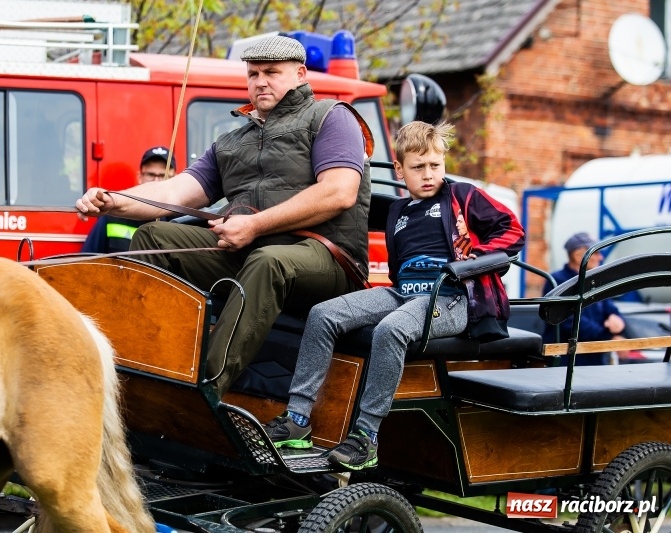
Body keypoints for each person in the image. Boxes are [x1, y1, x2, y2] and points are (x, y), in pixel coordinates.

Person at [75, 35, 374, 397]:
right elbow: (173, 192)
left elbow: (339, 192)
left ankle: (205, 389)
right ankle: (143, 364)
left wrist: (254, 224)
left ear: (300, 74)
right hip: (249, 252)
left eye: (271, 72)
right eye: (253, 73)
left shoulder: (330, 117)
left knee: (269, 262)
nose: (260, 81)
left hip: (327, 258)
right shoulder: (230, 142)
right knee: (155, 237)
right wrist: (114, 199)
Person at [262, 121, 525, 471]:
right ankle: (297, 419)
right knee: (323, 315)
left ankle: (366, 437)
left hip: (450, 297)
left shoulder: (462, 196)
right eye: (418, 168)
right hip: (402, 292)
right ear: (400, 170)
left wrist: (474, 260)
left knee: (391, 329)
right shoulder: (398, 213)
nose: (428, 174)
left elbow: (513, 230)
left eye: (435, 165)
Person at [542, 232, 625, 365]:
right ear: (578, 255)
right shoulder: (557, 281)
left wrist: (616, 318)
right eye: (596, 253)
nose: (601, 257)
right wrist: (607, 335)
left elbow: (609, 307)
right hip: (567, 360)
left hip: (594, 357)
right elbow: (568, 321)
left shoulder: (595, 280)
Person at [80, 146, 176, 254]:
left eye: (164, 175)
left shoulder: (180, 223)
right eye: (151, 174)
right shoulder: (112, 217)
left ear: (174, 179)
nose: (156, 181)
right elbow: (87, 262)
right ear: (140, 177)